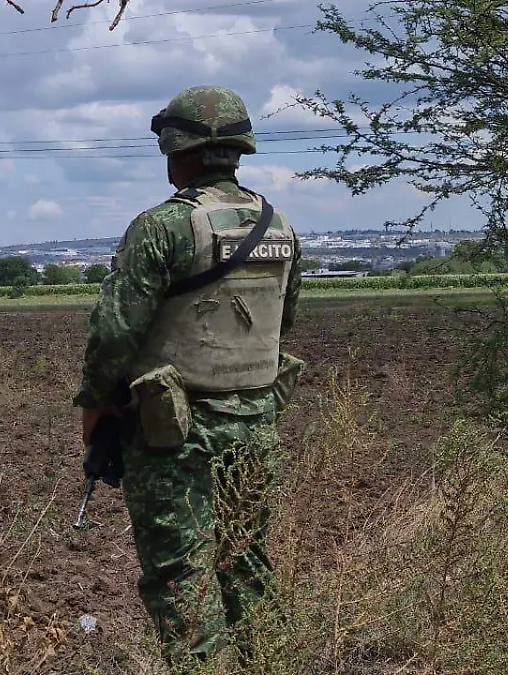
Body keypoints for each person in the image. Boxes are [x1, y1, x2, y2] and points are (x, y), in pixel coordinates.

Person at [73, 85, 305, 669]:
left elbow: (114, 332)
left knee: (181, 575)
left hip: (175, 434)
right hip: (256, 423)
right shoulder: (280, 226)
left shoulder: (164, 228)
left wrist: (95, 405)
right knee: (246, 563)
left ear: (178, 150)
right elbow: (285, 323)